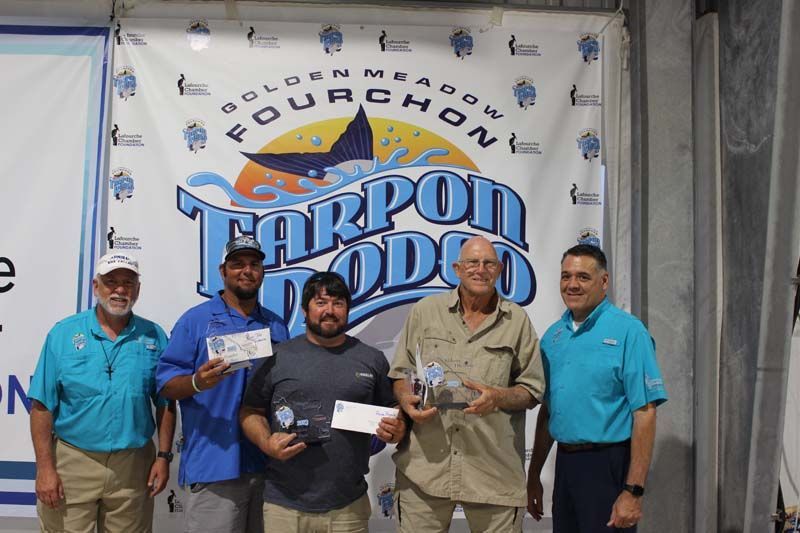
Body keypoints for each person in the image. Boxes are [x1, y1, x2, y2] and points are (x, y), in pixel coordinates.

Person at [389, 235, 545, 533]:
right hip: (425, 472)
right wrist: (405, 400)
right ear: (457, 269)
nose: (480, 269)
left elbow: (533, 389)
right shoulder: (426, 311)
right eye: (472, 262)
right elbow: (401, 373)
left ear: (499, 270)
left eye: (488, 263)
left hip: (493, 473)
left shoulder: (517, 321)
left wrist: (497, 397)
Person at [239, 272, 405, 532]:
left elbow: (393, 410)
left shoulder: (372, 359)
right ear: (305, 310)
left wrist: (397, 427)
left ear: (348, 310)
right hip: (284, 506)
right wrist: (266, 443)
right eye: (321, 302)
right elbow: (250, 411)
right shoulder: (277, 357)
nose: (330, 310)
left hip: (348, 506)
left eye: (338, 303)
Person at [29, 252, 175, 533]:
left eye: (128, 283)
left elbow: (165, 401)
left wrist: (163, 456)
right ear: (96, 287)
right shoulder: (63, 334)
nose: (120, 290)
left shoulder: (155, 336)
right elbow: (42, 406)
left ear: (138, 290)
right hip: (73, 462)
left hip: (133, 466)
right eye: (111, 282)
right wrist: (45, 469)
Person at [527, 244, 668, 532]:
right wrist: (533, 476)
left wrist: (633, 491)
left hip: (609, 466)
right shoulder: (553, 337)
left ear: (603, 282)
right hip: (565, 466)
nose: (572, 284)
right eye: (566, 276)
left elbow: (645, 413)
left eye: (582, 277)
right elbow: (549, 410)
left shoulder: (629, 332)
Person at [156, 235, 289, 533]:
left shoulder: (276, 325)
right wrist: (197, 382)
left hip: (268, 466)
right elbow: (166, 386)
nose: (246, 271)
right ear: (222, 271)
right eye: (237, 264)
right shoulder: (195, 321)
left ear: (263, 272)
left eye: (254, 264)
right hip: (215, 465)